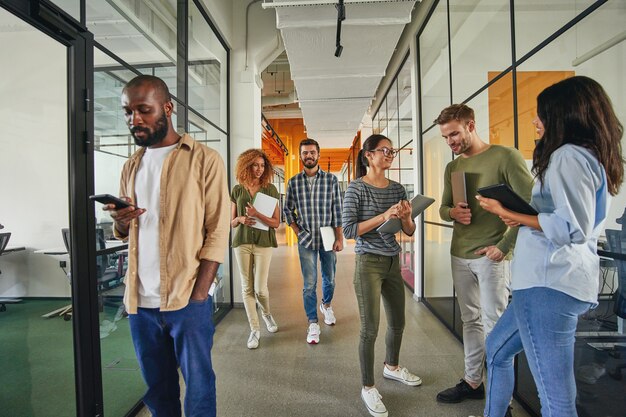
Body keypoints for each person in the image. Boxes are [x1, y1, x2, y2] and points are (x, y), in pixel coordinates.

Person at [475, 75, 623, 417]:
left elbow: (572, 227)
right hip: (546, 282)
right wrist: (523, 216)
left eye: (541, 114)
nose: (534, 121)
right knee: (497, 350)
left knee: (555, 397)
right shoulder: (584, 155)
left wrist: (508, 212)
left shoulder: (569, 156)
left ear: (564, 115)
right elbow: (566, 218)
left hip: (549, 285)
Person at [105, 75, 230, 417]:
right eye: (128, 112)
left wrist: (200, 292)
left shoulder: (204, 159)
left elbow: (218, 229)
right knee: (158, 391)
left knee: (199, 385)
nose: (135, 119)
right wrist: (121, 221)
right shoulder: (131, 166)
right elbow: (125, 232)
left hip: (187, 296)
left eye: (143, 110)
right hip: (140, 303)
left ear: (167, 108)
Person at [435, 104, 534, 404]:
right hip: (459, 253)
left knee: (496, 324)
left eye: (454, 134)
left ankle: (499, 398)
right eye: (445, 137)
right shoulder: (452, 168)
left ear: (471, 125)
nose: (450, 142)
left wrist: (504, 247)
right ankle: (473, 381)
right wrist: (452, 212)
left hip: (491, 255)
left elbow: (530, 208)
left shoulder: (506, 156)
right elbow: (443, 208)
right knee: (471, 321)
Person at [342, 134, 422, 417]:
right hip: (368, 263)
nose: (390, 154)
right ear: (368, 155)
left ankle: (392, 366)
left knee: (398, 322)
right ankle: (367, 386)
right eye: (385, 150)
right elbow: (350, 231)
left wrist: (407, 216)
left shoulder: (398, 188)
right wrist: (384, 215)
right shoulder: (355, 189)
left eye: (393, 151)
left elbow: (409, 231)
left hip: (392, 261)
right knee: (370, 328)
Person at [283, 138, 343, 344]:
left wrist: (339, 237)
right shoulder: (293, 182)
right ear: (300, 156)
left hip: (328, 235)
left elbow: (338, 210)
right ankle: (312, 323)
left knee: (330, 278)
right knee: (309, 284)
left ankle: (326, 306)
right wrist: (297, 231)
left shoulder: (331, 180)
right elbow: (287, 210)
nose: (308, 156)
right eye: (305, 153)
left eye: (312, 152)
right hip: (306, 237)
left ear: (318, 154)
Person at [231, 149, 280, 349]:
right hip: (241, 242)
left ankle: (267, 314)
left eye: (262, 165)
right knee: (247, 287)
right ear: (246, 165)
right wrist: (241, 218)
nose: (259, 169)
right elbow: (231, 222)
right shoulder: (237, 190)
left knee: (260, 289)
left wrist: (257, 214)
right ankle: (255, 329)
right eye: (255, 165)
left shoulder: (270, 190)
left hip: (263, 243)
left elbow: (276, 223)